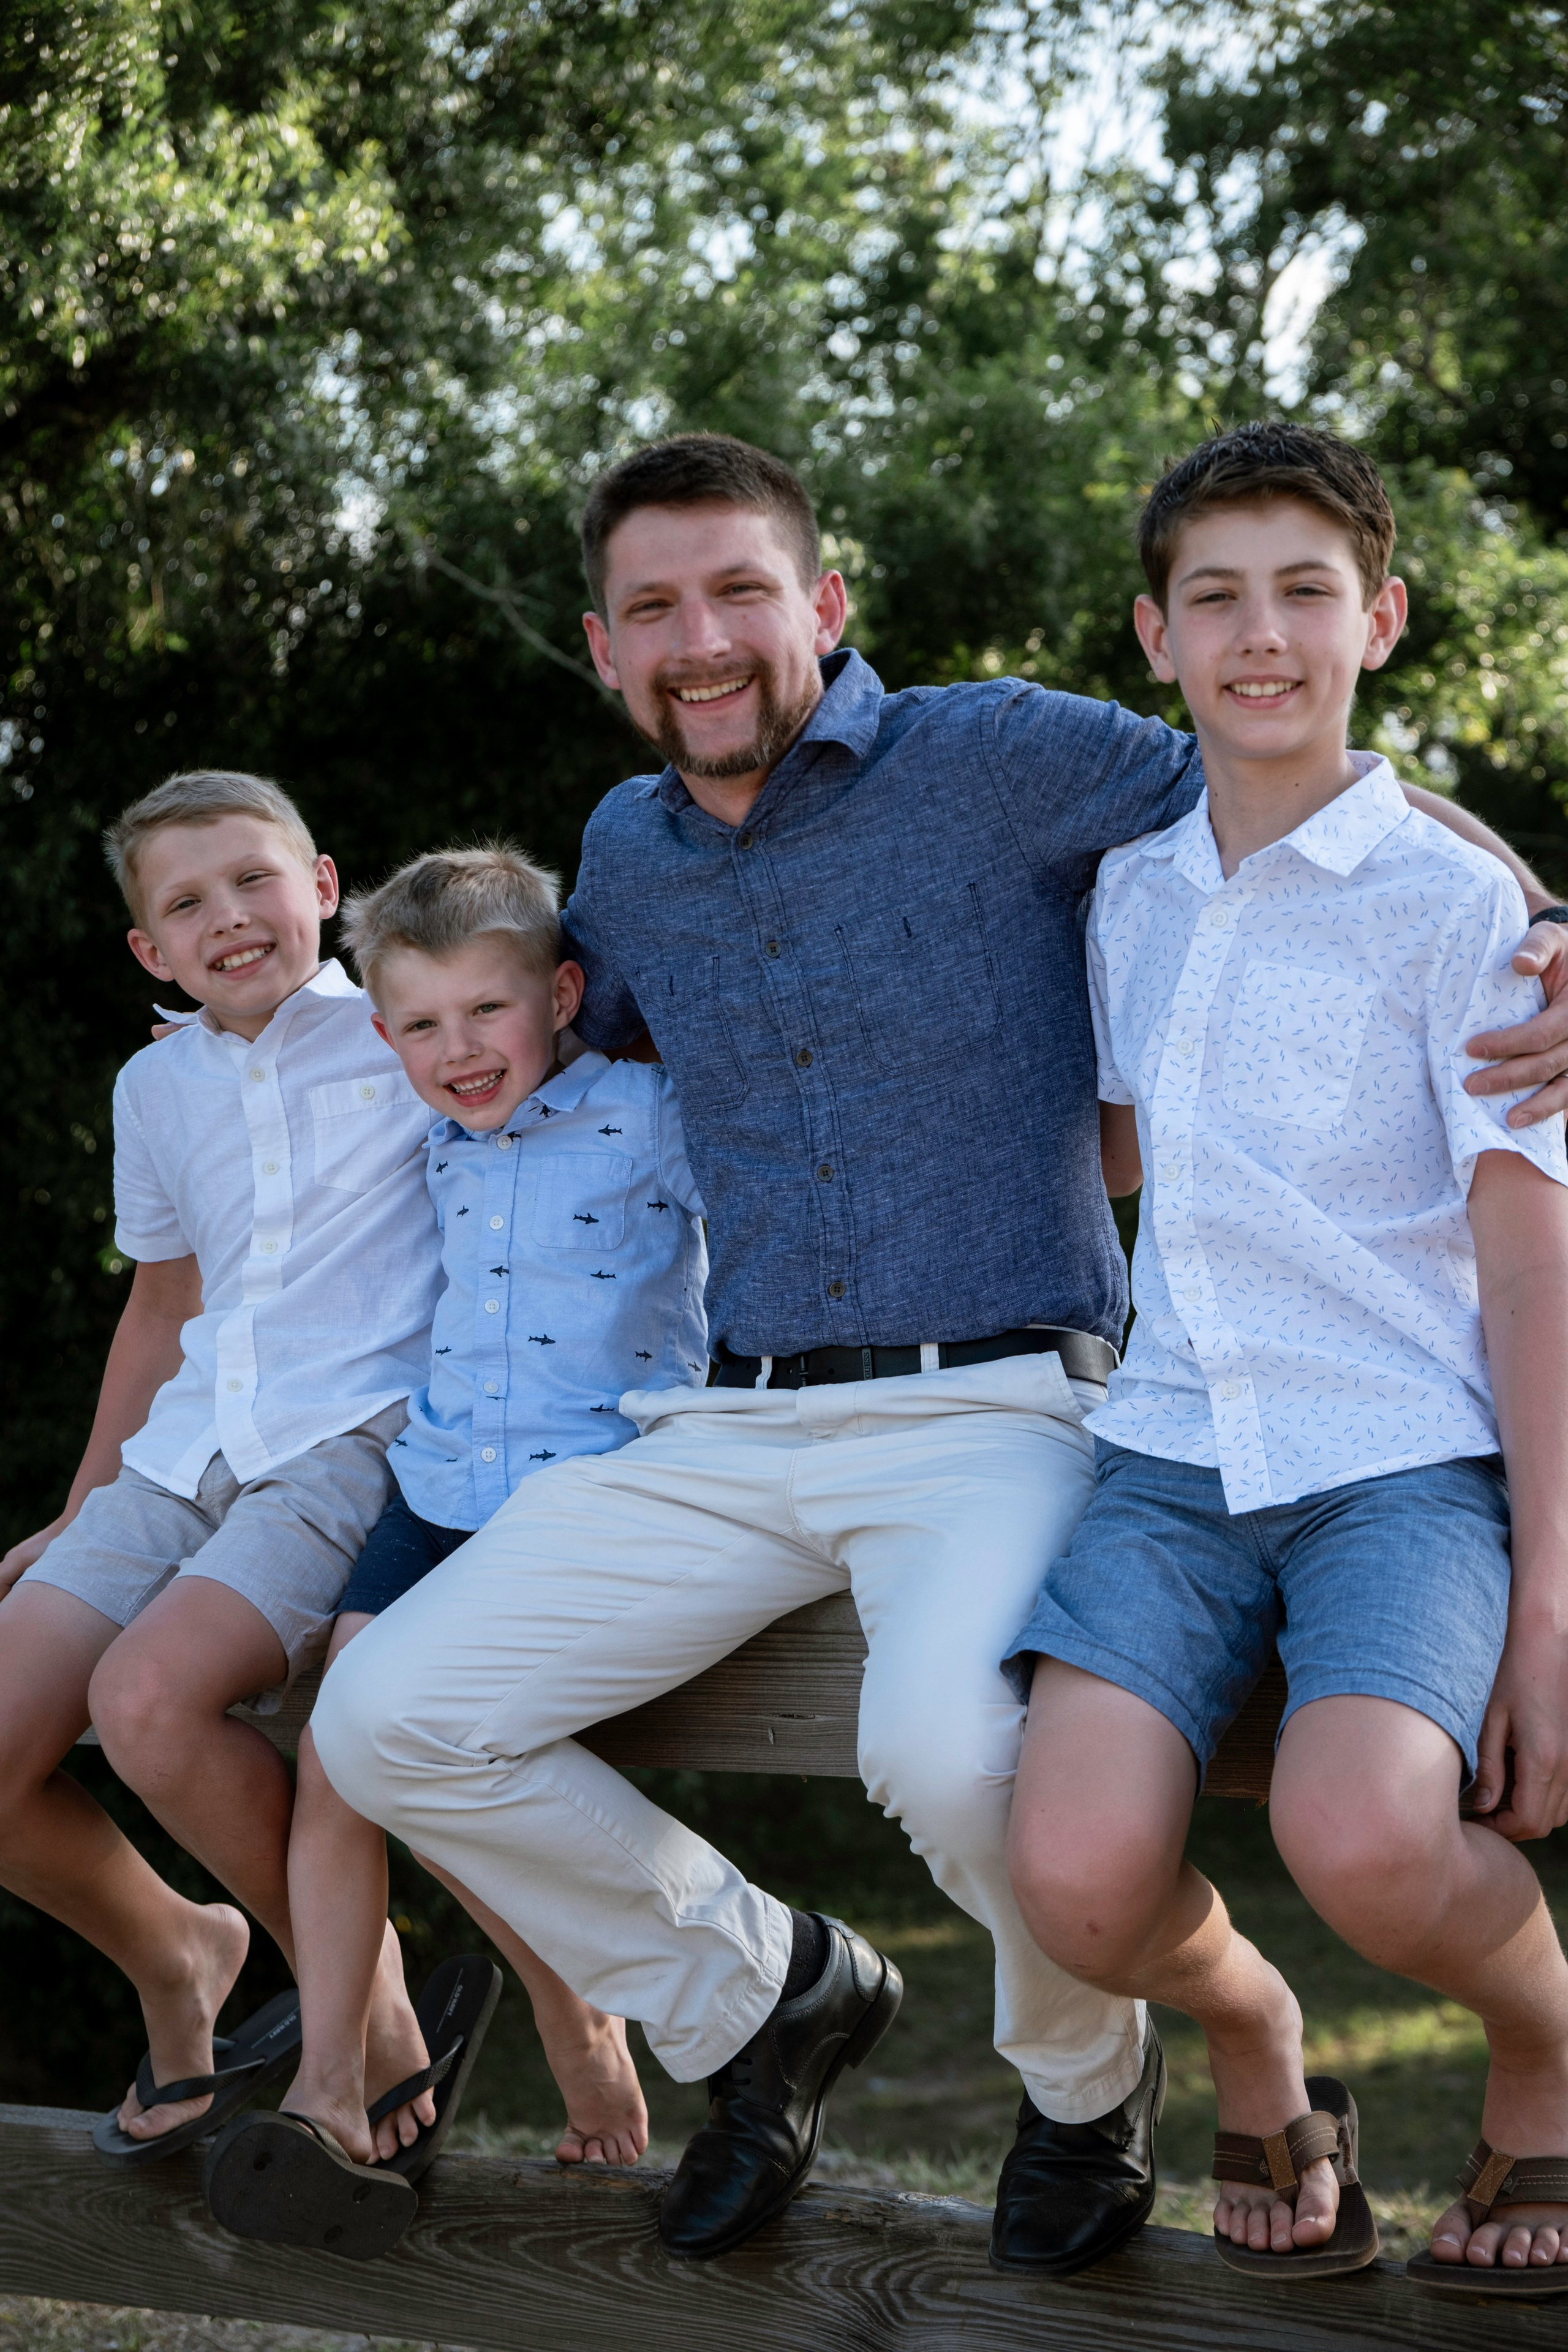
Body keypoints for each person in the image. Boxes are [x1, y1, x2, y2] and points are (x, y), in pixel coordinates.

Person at [309, 432, 1568, 2271]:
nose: (704, 637)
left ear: (822, 602)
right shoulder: (622, 859)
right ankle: (765, 1997)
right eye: (655, 608)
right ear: (604, 648)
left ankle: (1082, 2090)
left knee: (952, 1752)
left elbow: (1295, 764)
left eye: (741, 589)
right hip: (727, 1421)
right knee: (383, 1717)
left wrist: (1546, 928)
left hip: (999, 1392)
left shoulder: (1007, 757)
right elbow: (492, 1052)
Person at [1002, 422, 1568, 2298]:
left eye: (1306, 593)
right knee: (1074, 1879)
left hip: (1401, 1457)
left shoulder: (1463, 907)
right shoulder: (1133, 899)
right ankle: (1259, 2044)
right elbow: (1119, 1159)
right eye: (1217, 598)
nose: (1263, 635)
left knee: (1375, 1841)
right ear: (1154, 639)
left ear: (1380, 621)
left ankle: (1546, 2042)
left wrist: (1551, 1595)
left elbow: (1525, 1248)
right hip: (1166, 1455)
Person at [200, 845, 682, 2252]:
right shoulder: (431, 1139)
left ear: (564, 996)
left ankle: (568, 2002)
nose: (457, 1051)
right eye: (418, 1023)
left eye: (487, 1011)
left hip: (579, 1498)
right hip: (433, 1485)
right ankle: (331, 2092)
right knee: (340, 1753)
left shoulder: (656, 1114)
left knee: (411, 1741)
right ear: (382, 1031)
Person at [0, 769, 447, 2163]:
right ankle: (182, 1956)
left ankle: (366, 2015)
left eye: (255, 879)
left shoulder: (409, 1026)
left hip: (351, 1437)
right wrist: (85, 1502)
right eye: (185, 904)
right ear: (150, 951)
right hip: (183, 1451)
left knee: (147, 1701)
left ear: (324, 885)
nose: (229, 917)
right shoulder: (155, 1085)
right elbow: (160, 1302)